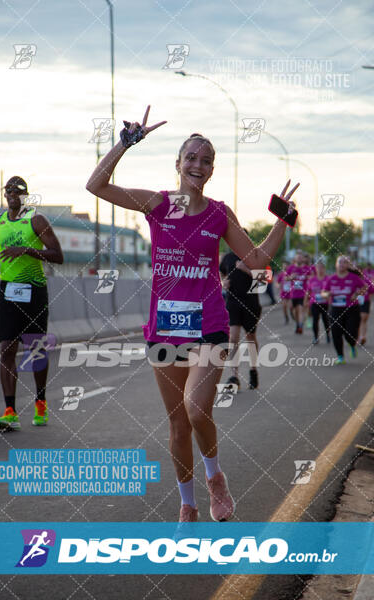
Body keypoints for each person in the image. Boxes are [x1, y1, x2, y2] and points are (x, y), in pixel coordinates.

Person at [86, 105, 299, 522]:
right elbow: (96, 185)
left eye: (206, 160)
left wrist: (282, 224)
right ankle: (187, 502)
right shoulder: (157, 204)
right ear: (178, 164)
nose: (197, 165)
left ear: (212, 169)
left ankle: (215, 476)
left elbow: (256, 262)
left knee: (197, 409)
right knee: (178, 426)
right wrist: (125, 142)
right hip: (164, 329)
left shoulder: (219, 214)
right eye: (191, 158)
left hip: (209, 324)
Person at [0, 176, 63, 430]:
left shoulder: (36, 220)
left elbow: (58, 255)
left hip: (34, 291)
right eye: (8, 191)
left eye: (17, 191)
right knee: (7, 349)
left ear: (25, 195)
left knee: (35, 349)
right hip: (8, 291)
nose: (11, 195)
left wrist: (27, 250)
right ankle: (10, 411)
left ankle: (40, 402)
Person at [219, 238, 261, 390]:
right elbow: (221, 273)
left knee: (250, 338)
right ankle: (234, 376)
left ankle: (253, 370)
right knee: (233, 338)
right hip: (233, 303)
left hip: (251, 303)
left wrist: (246, 270)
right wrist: (223, 283)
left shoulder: (256, 257)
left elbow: (264, 281)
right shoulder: (228, 258)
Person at [322, 256, 366, 365]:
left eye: (344, 262)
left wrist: (356, 294)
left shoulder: (353, 277)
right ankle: (340, 356)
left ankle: (352, 344)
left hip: (351, 309)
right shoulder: (331, 278)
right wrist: (327, 294)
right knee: (336, 332)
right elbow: (323, 292)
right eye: (340, 262)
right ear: (336, 264)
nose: (342, 264)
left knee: (350, 333)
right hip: (335, 309)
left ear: (348, 265)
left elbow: (364, 287)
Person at [304, 260, 330, 344]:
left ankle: (328, 335)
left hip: (325, 303)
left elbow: (331, 291)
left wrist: (326, 295)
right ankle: (316, 337)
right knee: (315, 320)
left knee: (326, 320)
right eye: (318, 268)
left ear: (324, 269)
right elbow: (308, 291)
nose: (319, 269)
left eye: (321, 268)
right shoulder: (312, 280)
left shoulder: (328, 279)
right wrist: (305, 301)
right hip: (314, 303)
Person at [285, 251, 310, 334]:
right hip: (293, 293)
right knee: (293, 310)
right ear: (295, 259)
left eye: (300, 257)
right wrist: (291, 277)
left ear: (302, 259)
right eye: (297, 257)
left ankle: (300, 325)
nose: (299, 259)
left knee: (300, 309)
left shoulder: (306, 268)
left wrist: (307, 277)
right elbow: (285, 278)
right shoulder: (291, 268)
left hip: (303, 293)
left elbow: (312, 277)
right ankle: (297, 323)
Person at [358, 264, 374, 345]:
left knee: (363, 319)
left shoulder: (366, 281)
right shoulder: (352, 280)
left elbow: (372, 291)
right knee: (357, 319)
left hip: (365, 302)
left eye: (360, 271)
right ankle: (356, 337)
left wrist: (369, 300)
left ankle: (363, 336)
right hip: (354, 303)